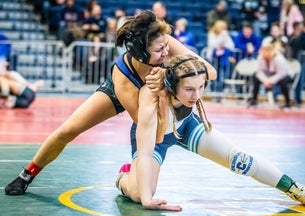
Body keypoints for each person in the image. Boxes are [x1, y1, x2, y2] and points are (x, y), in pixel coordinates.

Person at [4, 10, 216, 195]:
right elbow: (149, 131)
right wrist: (159, 92)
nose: (166, 52)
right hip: (124, 89)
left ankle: (130, 174)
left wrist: (166, 79)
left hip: (160, 91)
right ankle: (27, 174)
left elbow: (212, 73)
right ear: (141, 53)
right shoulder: (122, 78)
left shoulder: (165, 42)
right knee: (67, 130)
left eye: (165, 46)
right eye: (159, 51)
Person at [115, 54, 305, 211]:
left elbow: (202, 68)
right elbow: (147, 153)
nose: (196, 96)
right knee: (140, 194)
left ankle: (295, 188)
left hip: (186, 126)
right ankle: (124, 177)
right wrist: (147, 200)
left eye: (201, 87)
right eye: (189, 89)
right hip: (154, 139)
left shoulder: (186, 74)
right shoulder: (151, 100)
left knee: (240, 160)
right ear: (172, 86)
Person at [248, 42, 293, 108]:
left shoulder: (278, 58)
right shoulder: (260, 57)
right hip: (269, 75)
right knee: (256, 78)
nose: (261, 52)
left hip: (284, 75)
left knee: (283, 82)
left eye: (264, 51)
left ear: (269, 51)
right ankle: (254, 100)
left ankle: (287, 102)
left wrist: (270, 81)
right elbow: (259, 71)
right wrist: (265, 80)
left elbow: (281, 73)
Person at [206, 19, 235, 92]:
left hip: (223, 58)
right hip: (213, 58)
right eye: (221, 27)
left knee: (225, 75)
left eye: (224, 27)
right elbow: (213, 45)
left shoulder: (225, 34)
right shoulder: (212, 34)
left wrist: (224, 38)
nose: (223, 29)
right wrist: (222, 37)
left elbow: (231, 46)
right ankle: (213, 90)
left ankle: (221, 90)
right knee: (215, 74)